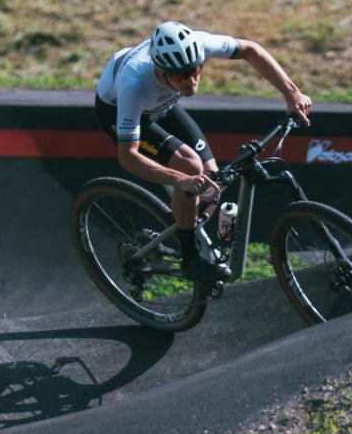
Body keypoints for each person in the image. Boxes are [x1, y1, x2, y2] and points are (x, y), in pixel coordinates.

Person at [94, 21, 313, 284]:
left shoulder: (200, 44)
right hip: (120, 110)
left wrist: (292, 94)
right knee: (190, 166)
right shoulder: (134, 82)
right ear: (160, 70)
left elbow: (251, 50)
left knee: (213, 180)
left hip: (163, 103)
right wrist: (180, 179)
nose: (191, 81)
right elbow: (126, 156)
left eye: (195, 70)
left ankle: (189, 226)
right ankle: (190, 258)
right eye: (179, 76)